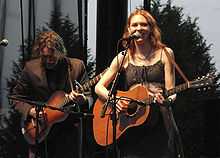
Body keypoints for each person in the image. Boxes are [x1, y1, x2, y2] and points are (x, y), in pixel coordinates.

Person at [95, 10, 184, 158]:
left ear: (151, 29)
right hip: (132, 124)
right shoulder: (123, 57)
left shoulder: (166, 53)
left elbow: (172, 90)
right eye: (134, 25)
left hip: (159, 119)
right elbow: (99, 87)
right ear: (129, 29)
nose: (139, 28)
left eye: (143, 24)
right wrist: (114, 100)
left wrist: (167, 101)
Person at [9, 31, 93, 158]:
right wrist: (30, 111)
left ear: (61, 53)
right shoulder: (31, 68)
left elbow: (89, 97)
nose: (48, 61)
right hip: (38, 135)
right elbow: (15, 98)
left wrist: (83, 100)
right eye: (44, 57)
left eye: (52, 57)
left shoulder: (76, 66)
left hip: (68, 138)